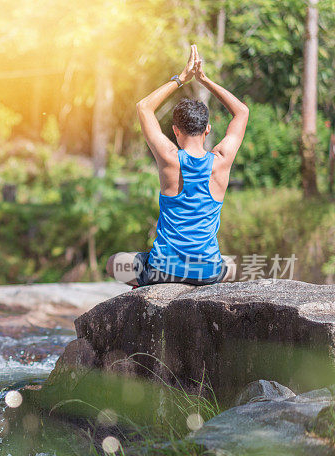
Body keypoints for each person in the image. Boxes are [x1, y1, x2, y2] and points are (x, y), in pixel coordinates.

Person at [106, 45, 249, 287]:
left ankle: (145, 289)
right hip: (207, 274)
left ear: (175, 131)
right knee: (232, 265)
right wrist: (205, 80)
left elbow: (144, 107)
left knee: (113, 263)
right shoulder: (222, 160)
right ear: (207, 130)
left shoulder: (168, 157)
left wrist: (180, 79)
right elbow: (242, 112)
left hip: (162, 271)